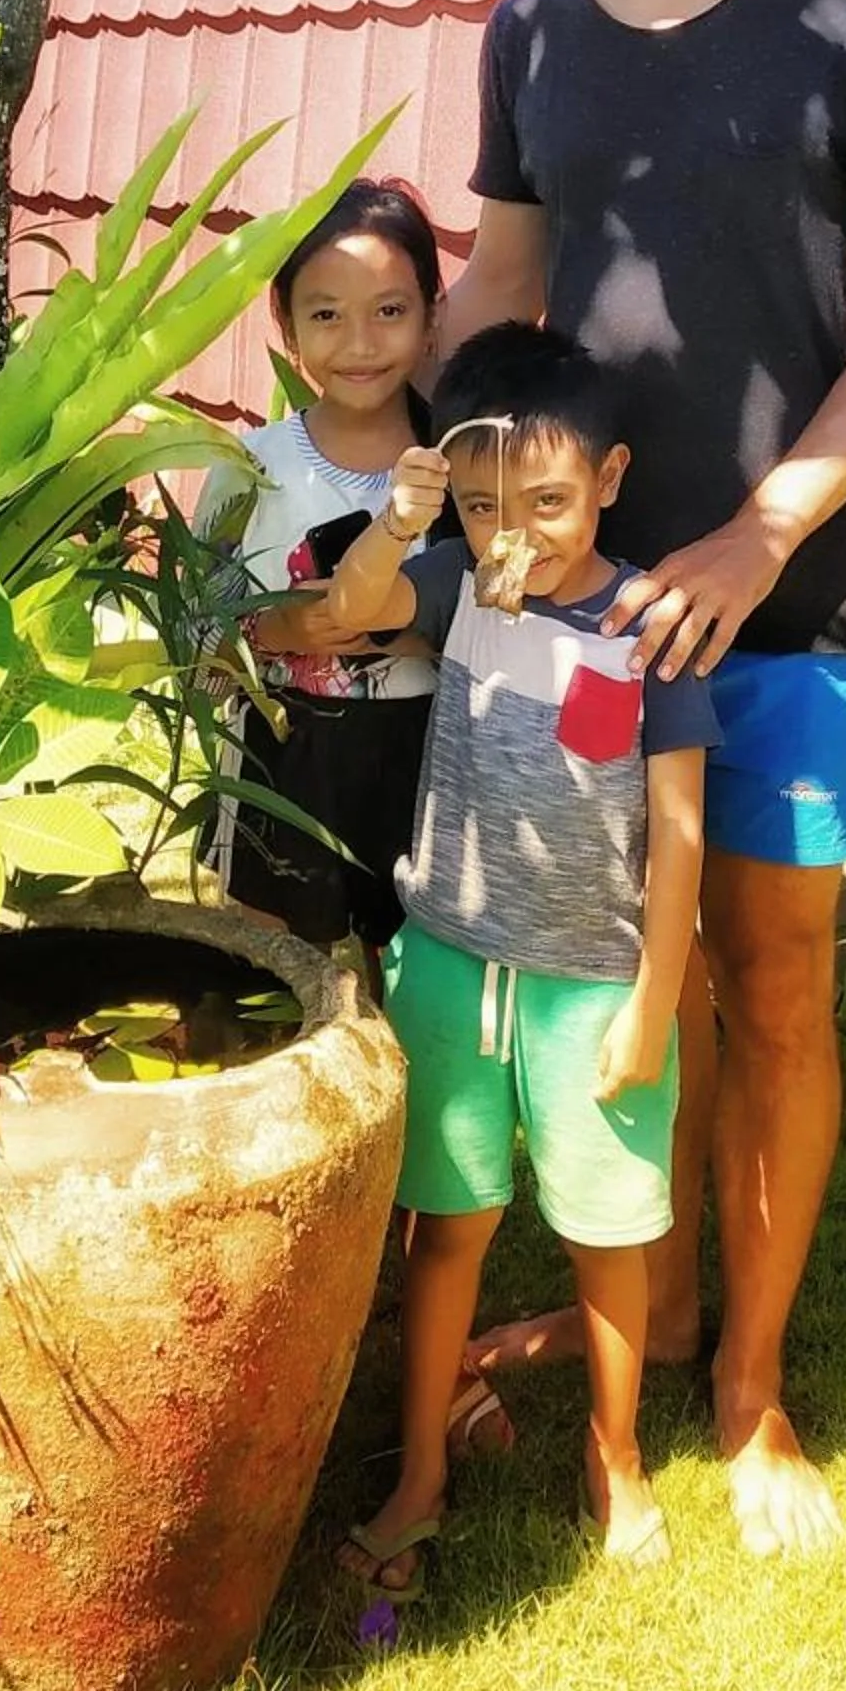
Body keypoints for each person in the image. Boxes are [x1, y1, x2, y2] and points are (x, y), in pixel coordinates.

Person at [436, 0, 846, 1559]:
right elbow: (505, 288)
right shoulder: (529, 35)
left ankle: (750, 1388)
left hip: (789, 607)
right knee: (602, 971)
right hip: (578, 617)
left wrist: (762, 532)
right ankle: (648, 1313)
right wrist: (399, 474)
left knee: (775, 984)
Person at [321, 323, 714, 1590]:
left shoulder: (650, 629)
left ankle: (618, 1456)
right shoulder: (454, 580)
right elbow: (353, 609)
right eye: (486, 505)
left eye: (548, 502)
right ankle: (420, 1474)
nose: (518, 533)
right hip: (449, 962)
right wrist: (402, 523)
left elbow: (680, 829)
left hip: (593, 984)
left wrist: (653, 1002)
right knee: (447, 1227)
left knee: (607, 1234)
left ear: (609, 477)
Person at [197, 179, 445, 954]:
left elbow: (508, 612)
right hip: (283, 754)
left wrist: (406, 632)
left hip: (427, 756)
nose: (360, 343)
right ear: (288, 325)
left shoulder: (460, 467)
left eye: (390, 311)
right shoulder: (249, 466)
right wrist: (277, 628)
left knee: (409, 968)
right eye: (327, 314)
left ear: (433, 316)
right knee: (270, 964)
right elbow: (196, 626)